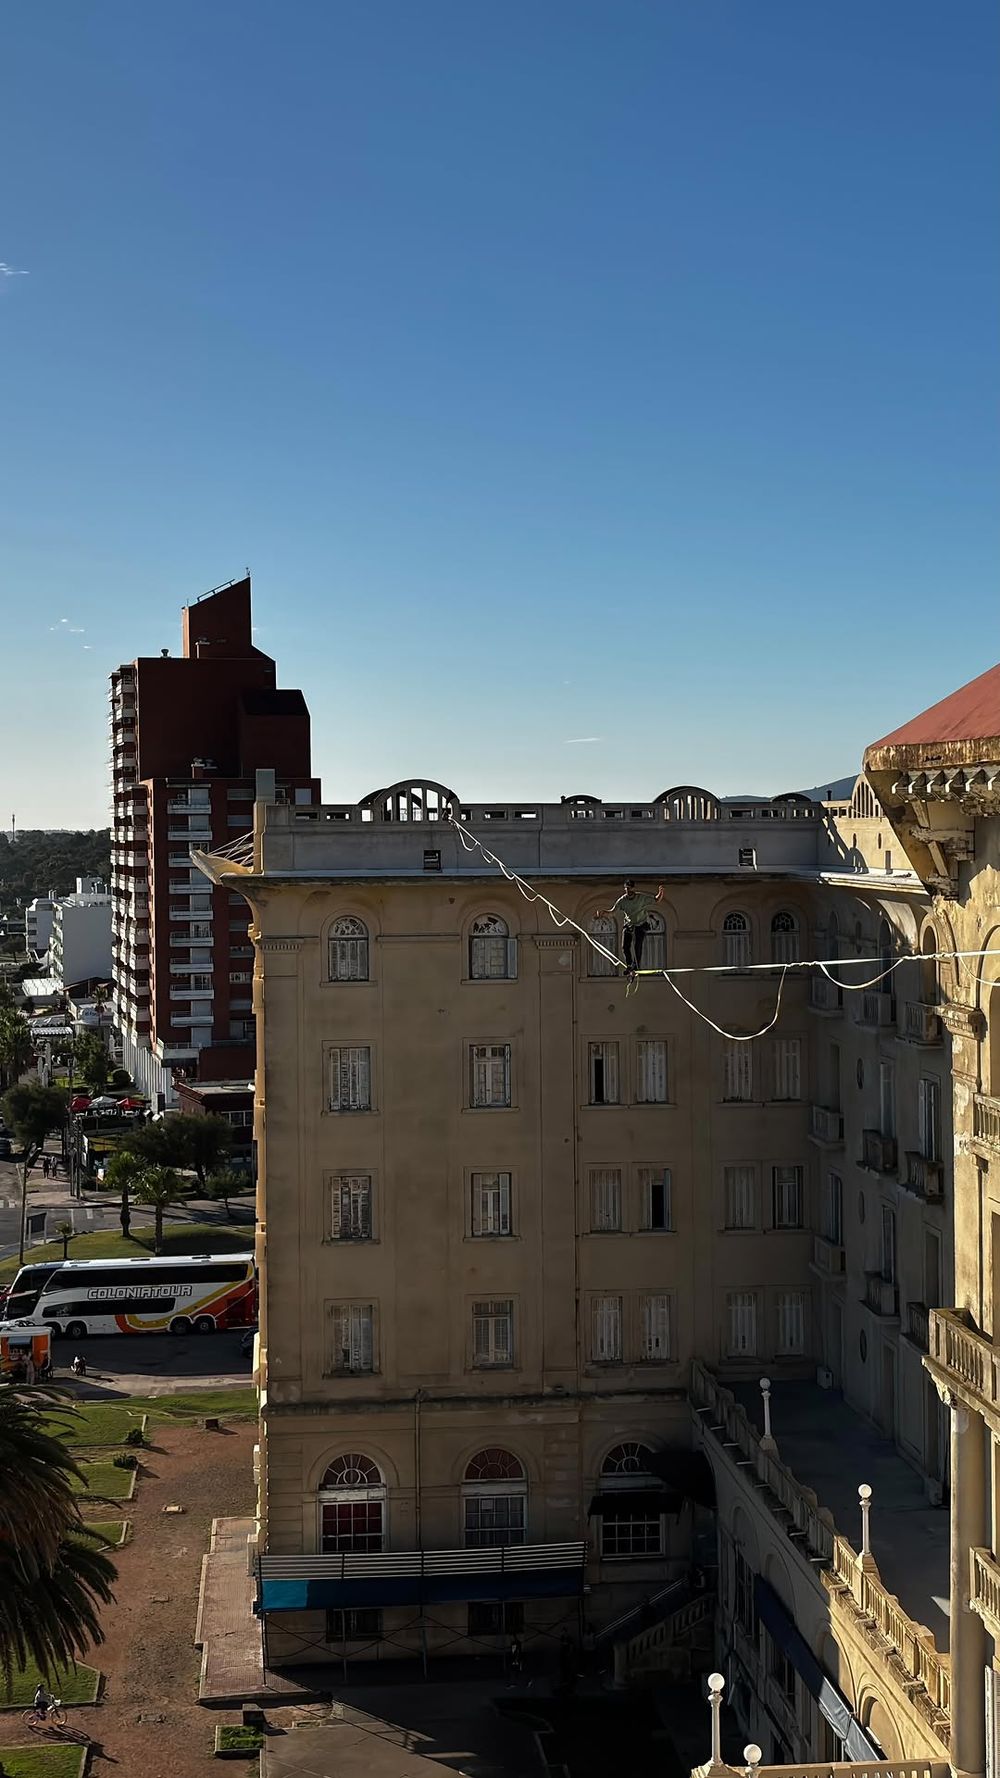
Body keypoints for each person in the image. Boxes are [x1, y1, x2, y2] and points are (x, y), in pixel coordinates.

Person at [599, 880, 665, 982]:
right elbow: (612, 912)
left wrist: (661, 892)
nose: (627, 891)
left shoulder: (641, 898)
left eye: (629, 889)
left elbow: (657, 899)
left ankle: (636, 967)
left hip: (641, 924)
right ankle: (629, 965)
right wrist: (604, 913)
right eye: (626, 889)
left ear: (633, 888)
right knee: (625, 946)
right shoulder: (622, 901)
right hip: (629, 924)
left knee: (637, 945)